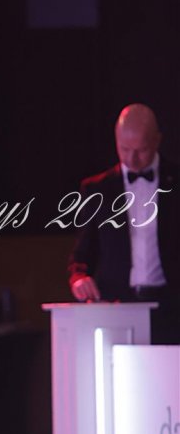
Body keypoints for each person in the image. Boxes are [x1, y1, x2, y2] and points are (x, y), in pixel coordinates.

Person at [68, 103, 180, 343]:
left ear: (157, 141)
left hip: (172, 306)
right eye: (124, 149)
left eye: (141, 150)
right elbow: (82, 253)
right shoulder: (97, 189)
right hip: (119, 306)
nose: (132, 159)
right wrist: (79, 277)